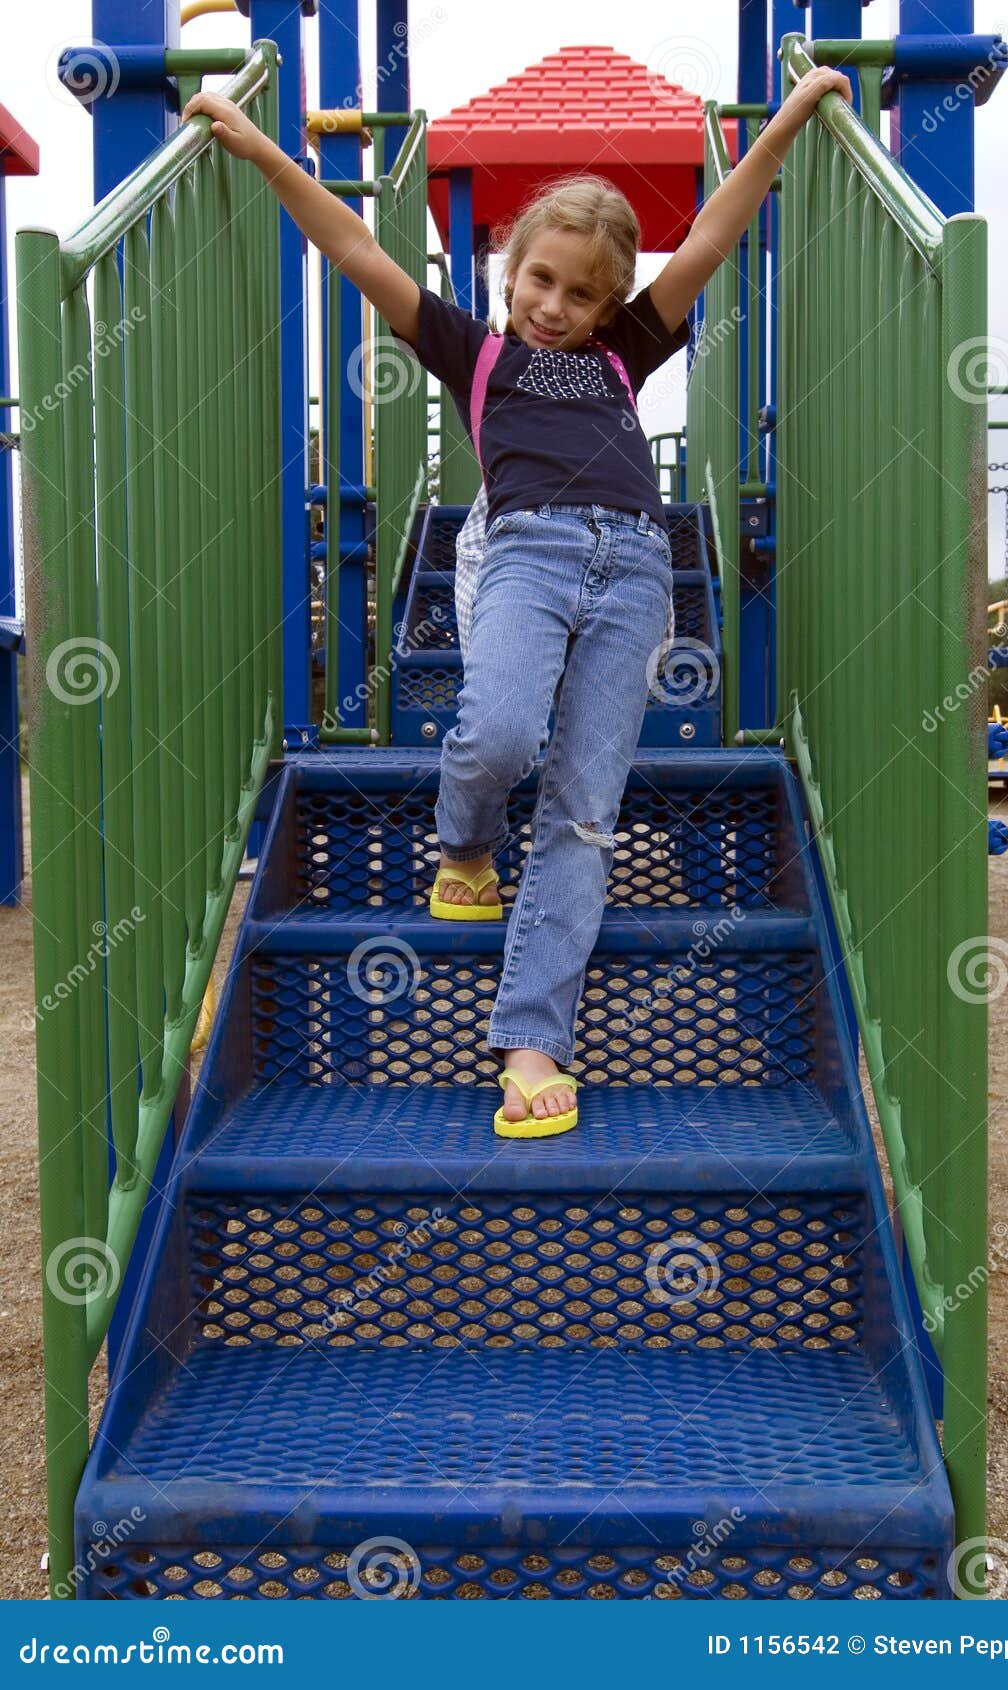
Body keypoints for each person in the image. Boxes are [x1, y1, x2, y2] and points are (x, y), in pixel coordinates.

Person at [181, 63, 852, 1140]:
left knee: (584, 816)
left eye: (582, 292)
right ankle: (462, 847)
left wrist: (782, 123)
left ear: (607, 303)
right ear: (509, 271)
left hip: (634, 574)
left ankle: (530, 1040)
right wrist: (267, 156)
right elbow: (355, 250)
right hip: (527, 558)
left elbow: (714, 239)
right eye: (541, 279)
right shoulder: (475, 351)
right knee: (494, 730)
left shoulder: (626, 350)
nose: (556, 306)